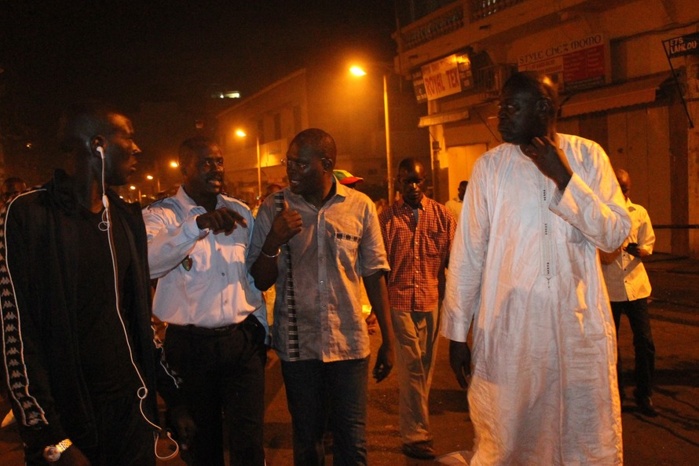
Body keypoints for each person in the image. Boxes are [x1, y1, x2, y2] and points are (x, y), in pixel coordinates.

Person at [441, 71, 631, 464]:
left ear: (544, 108)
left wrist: (563, 176)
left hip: (578, 333)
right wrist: (457, 333)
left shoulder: (588, 157)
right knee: (509, 439)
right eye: (500, 107)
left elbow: (614, 236)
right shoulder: (490, 168)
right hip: (512, 335)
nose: (500, 116)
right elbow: (468, 254)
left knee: (583, 439)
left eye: (511, 107)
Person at [0, 102, 194, 466]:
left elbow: (136, 321)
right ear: (97, 144)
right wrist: (51, 440)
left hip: (132, 418)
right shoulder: (29, 215)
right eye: (129, 137)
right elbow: (15, 336)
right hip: (71, 424)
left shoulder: (125, 218)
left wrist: (174, 397)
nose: (137, 148)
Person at [249, 128, 394, 465]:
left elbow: (374, 274)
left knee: (352, 443)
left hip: (349, 345)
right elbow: (259, 280)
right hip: (299, 349)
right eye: (289, 162)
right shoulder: (274, 208)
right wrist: (273, 241)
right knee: (307, 442)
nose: (290, 170)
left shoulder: (360, 207)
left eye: (300, 164)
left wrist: (389, 339)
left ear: (326, 164)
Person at [143, 136, 268, 466]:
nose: (216, 169)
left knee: (249, 442)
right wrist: (195, 226)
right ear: (184, 168)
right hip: (191, 349)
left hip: (242, 343)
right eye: (206, 163)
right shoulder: (161, 215)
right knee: (202, 445)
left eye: (219, 161)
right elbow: (148, 262)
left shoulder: (239, 211)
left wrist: (264, 330)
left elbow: (252, 278)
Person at [379, 158, 456, 459]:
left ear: (425, 183)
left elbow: (453, 263)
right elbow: (380, 270)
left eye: (416, 180)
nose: (411, 186)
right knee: (411, 367)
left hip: (431, 300)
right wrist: (381, 311)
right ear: (398, 182)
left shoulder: (443, 217)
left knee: (425, 369)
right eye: (406, 180)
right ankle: (416, 435)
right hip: (398, 302)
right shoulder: (386, 220)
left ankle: (414, 425)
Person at [600, 168, 657, 417]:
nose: (624, 192)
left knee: (644, 342)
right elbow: (600, 254)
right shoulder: (601, 213)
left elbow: (649, 244)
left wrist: (640, 251)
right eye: (620, 187)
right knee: (612, 346)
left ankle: (644, 394)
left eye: (627, 188)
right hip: (610, 289)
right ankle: (617, 395)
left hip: (636, 287)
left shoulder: (639, 212)